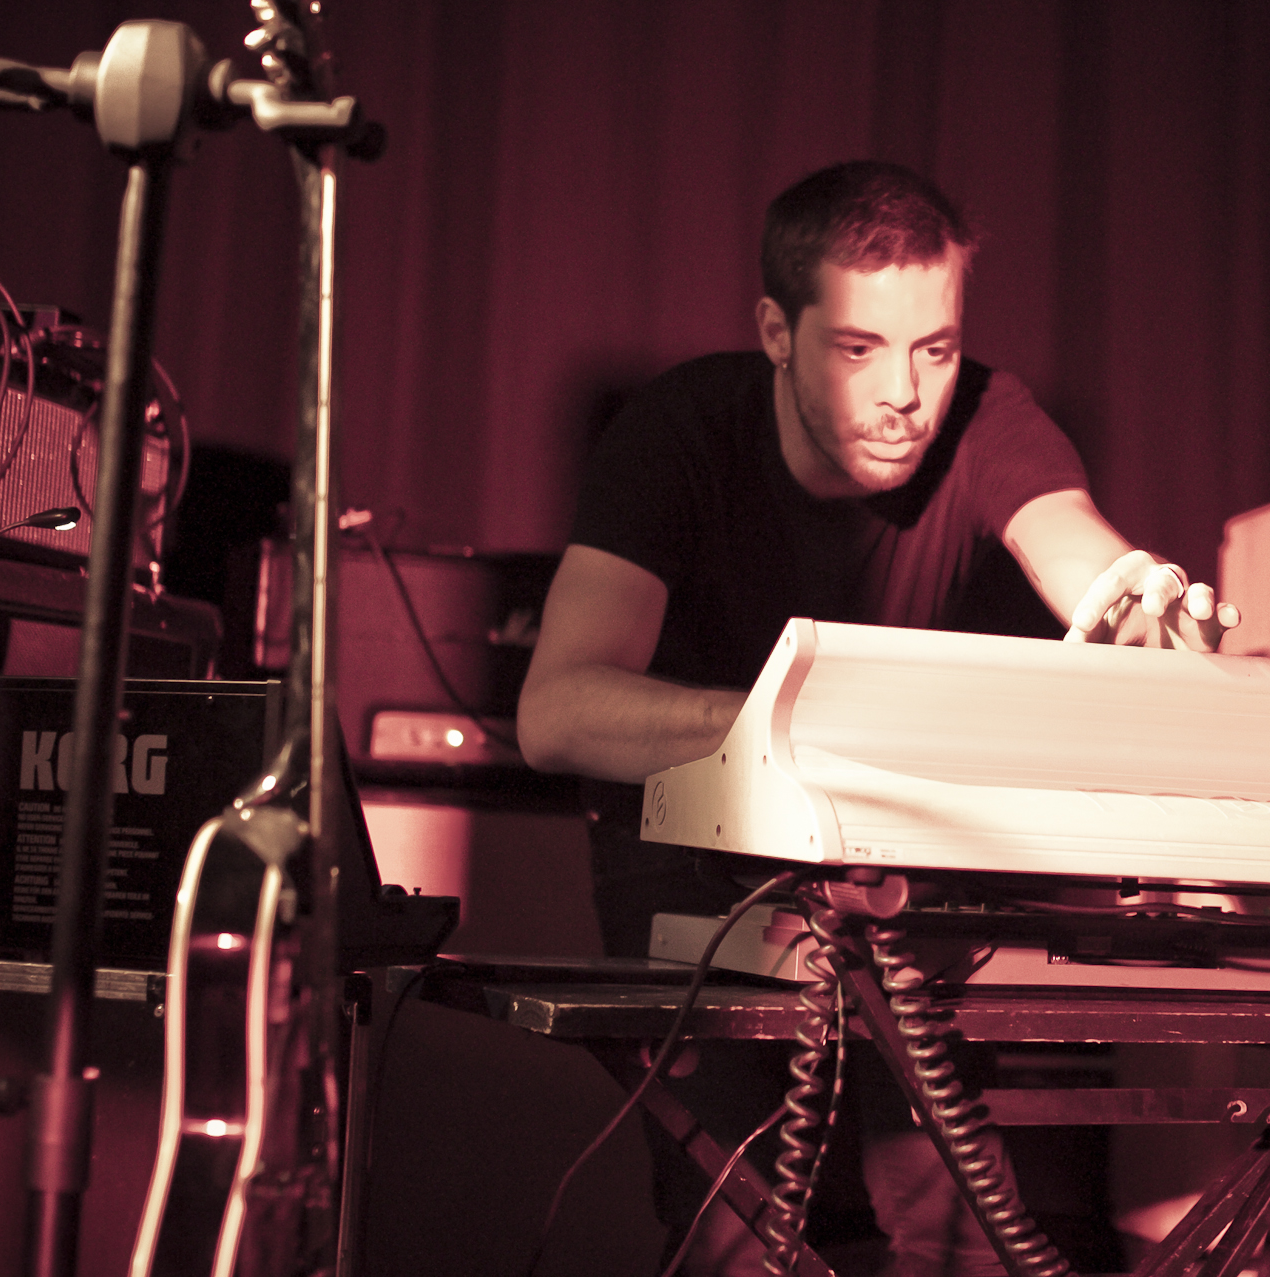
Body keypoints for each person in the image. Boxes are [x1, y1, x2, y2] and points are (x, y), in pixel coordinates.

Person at [517, 160, 1226, 1276]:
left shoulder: (991, 418)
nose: (905, 392)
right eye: (858, 349)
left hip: (909, 869)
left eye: (934, 349)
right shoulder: (679, 431)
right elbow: (557, 712)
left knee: (1006, 1234)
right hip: (695, 868)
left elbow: (1083, 554)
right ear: (776, 331)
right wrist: (799, 720)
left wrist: (1145, 607)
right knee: (757, 1241)